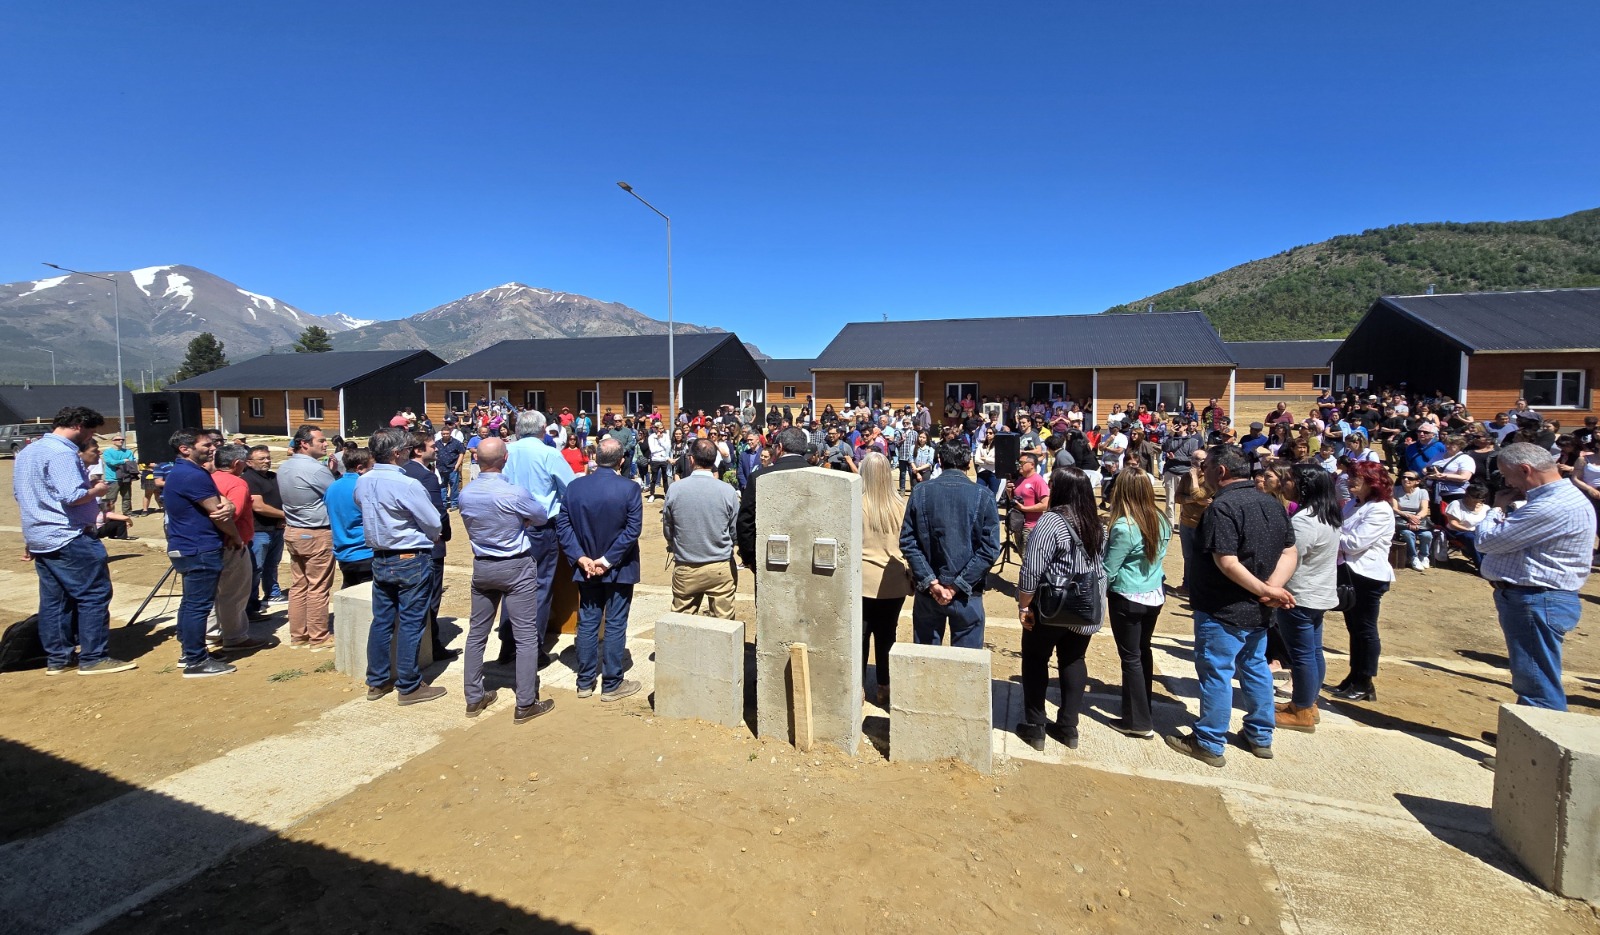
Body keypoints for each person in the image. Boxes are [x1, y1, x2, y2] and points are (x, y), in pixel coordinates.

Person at [1166, 445, 1296, 768]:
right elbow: (1290, 552)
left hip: (1223, 608)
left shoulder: (1221, 508)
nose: (1201, 472)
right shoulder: (1271, 503)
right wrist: (1271, 589)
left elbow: (1226, 561)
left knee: (1217, 672)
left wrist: (1267, 588)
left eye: (1205, 466)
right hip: (1259, 608)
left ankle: (1209, 740)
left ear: (1221, 471)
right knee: (1255, 668)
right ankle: (1260, 734)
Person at [12, 407, 138, 676]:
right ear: (79, 425)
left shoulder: (29, 451)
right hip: (69, 534)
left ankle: (58, 658)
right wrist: (99, 490)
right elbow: (73, 496)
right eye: (91, 431)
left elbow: (19, 493)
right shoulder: (62, 452)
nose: (91, 437)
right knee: (93, 594)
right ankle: (93, 657)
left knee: (55, 600)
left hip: (41, 535)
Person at [1474, 443, 1595, 718]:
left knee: (1536, 679)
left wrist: (1497, 509)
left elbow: (1486, 541)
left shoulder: (1553, 505)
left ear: (1525, 470)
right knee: (1532, 673)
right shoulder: (1556, 499)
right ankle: (1525, 732)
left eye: (1507, 475)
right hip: (1535, 597)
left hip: (1536, 598)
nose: (1506, 482)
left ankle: (1536, 747)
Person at [457, 436, 554, 724]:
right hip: (515, 564)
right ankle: (525, 703)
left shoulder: (466, 493)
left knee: (477, 633)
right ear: (505, 459)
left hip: (483, 565)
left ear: (477, 459)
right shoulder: (514, 492)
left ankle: (474, 697)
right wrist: (519, 522)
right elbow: (540, 515)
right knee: (525, 636)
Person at [355, 427, 446, 706]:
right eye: (406, 449)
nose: (408, 453)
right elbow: (433, 521)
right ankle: (409, 685)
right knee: (411, 622)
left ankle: (378, 680)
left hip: (380, 557)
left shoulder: (364, 480)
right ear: (396, 454)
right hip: (409, 557)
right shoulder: (406, 484)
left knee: (382, 621)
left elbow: (361, 506)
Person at [1015, 467, 1104, 751]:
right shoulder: (1096, 523)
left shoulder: (1050, 522)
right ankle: (1068, 726)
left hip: (1052, 606)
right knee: (1074, 660)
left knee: (1035, 659)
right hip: (1085, 606)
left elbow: (1032, 568)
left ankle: (1036, 725)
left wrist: (1024, 604)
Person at [556, 438, 643, 701]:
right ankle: (612, 683)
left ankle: (584, 682)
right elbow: (632, 530)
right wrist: (606, 560)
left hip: (587, 568)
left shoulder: (575, 487)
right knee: (615, 623)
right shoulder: (629, 488)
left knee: (588, 621)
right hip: (618, 568)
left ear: (594, 457)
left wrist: (582, 558)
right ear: (621, 460)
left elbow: (563, 526)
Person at [899, 440, 1001, 649]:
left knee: (926, 660)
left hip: (931, 591)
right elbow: (989, 549)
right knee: (966, 664)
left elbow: (908, 541)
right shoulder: (984, 495)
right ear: (969, 463)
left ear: (939, 461)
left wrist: (933, 583)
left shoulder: (920, 492)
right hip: (967, 594)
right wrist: (956, 586)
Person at [163, 430, 244, 678]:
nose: (212, 448)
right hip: (199, 547)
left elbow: (221, 503)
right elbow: (217, 512)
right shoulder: (191, 475)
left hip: (188, 546)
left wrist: (227, 505)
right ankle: (196, 661)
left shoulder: (188, 472)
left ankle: (191, 652)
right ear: (185, 449)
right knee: (198, 606)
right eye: (206, 445)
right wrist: (235, 535)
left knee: (190, 604)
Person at [500, 410, 578, 666]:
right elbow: (571, 489)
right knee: (540, 586)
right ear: (544, 428)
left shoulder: (506, 450)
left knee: (511, 585)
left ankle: (507, 645)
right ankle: (532, 649)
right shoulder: (549, 453)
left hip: (510, 525)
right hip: (541, 527)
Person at [1102, 470, 1169, 739]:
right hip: (1153, 593)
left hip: (1127, 596)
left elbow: (1109, 568)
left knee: (1130, 658)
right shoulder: (1161, 519)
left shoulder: (1124, 527)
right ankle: (1142, 708)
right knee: (1143, 652)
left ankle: (1138, 721)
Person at [1274, 465, 1341, 732]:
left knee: (1302, 656)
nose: (1284, 483)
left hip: (1299, 596)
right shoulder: (1327, 516)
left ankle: (1301, 710)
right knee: (1313, 652)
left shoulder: (1304, 521)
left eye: (1289, 480)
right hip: (1318, 594)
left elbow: (1290, 556)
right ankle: (1308, 703)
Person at [1329, 461, 1395, 702]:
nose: (1349, 481)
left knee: (1365, 630)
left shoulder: (1379, 509)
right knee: (1354, 628)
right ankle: (1354, 676)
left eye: (1356, 477)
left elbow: (1354, 543)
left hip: (1368, 575)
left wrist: (1333, 536)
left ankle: (1365, 680)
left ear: (1372, 481)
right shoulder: (1354, 506)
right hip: (1351, 573)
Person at [661, 438, 740, 619]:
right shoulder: (727, 491)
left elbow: (668, 528)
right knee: (724, 624)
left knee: (682, 620)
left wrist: (674, 545)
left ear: (691, 459)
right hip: (720, 565)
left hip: (686, 565)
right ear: (714, 461)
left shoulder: (675, 490)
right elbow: (734, 530)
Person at [402, 431, 461, 661]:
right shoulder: (427, 477)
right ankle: (432, 646)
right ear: (418, 450)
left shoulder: (402, 471)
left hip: (406, 543)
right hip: (430, 544)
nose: (436, 448)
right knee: (430, 599)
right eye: (430, 445)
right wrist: (445, 534)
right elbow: (438, 513)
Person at [858, 451, 910, 706]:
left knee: (861, 635)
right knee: (887, 634)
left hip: (862, 581)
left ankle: (858, 687)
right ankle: (884, 685)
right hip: (894, 579)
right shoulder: (901, 504)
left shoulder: (856, 502)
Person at [277, 426, 336, 650]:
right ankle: (319, 637)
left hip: (293, 529)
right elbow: (334, 493)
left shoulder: (284, 466)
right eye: (320, 440)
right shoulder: (314, 469)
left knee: (299, 585)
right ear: (304, 443)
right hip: (316, 531)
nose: (325, 444)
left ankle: (298, 635)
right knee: (318, 586)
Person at [208, 445, 269, 653]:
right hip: (233, 545)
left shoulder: (208, 479)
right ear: (237, 463)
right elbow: (231, 515)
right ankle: (235, 637)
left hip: (211, 545)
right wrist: (234, 537)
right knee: (234, 593)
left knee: (214, 591)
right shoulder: (237, 483)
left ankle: (211, 632)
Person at [736, 427, 812, 568]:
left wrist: (750, 558)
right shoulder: (820, 476)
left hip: (768, 558)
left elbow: (746, 522)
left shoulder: (757, 477)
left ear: (780, 448)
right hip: (809, 558)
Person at [241, 446, 286, 618]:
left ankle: (272, 593)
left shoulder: (273, 476)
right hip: (258, 530)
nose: (267, 461)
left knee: (272, 564)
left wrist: (281, 518)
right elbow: (258, 506)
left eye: (268, 458)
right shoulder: (248, 479)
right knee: (255, 568)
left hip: (276, 528)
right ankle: (251, 604)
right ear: (249, 462)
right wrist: (285, 515)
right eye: (262, 459)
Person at [325, 447, 376, 588]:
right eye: (372, 467)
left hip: (343, 553)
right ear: (360, 468)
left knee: (349, 592)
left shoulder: (332, 487)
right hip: (364, 552)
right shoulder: (363, 486)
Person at [1174, 448, 1212, 596]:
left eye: (1200, 460)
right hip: (1186, 522)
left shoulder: (1209, 479)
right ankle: (1187, 585)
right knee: (1188, 556)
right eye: (1194, 459)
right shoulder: (1186, 477)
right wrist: (1191, 500)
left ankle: (1200, 587)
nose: (1195, 463)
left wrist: (1195, 495)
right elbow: (1178, 498)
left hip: (1202, 524)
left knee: (1202, 557)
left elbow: (1202, 495)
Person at [1160, 421, 1202, 529]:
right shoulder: (1171, 439)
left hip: (1185, 473)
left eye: (1181, 425)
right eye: (1176, 424)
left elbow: (1192, 458)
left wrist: (1176, 458)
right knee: (1170, 500)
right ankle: (1169, 525)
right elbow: (1164, 448)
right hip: (1171, 472)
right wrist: (1171, 434)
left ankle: (1183, 524)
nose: (1178, 427)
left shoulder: (1193, 441)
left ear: (1185, 426)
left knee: (1185, 500)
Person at [1392, 471, 1434, 572]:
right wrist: (1407, 515)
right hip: (1400, 518)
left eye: (1410, 478)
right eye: (1404, 477)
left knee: (1427, 535)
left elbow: (1424, 509)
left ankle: (1423, 555)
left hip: (1418, 518)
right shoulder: (1395, 490)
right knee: (1408, 534)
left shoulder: (1422, 492)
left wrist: (1416, 519)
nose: (1406, 479)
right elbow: (1394, 508)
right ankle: (1413, 556)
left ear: (1417, 481)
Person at [1442, 481, 1490, 567]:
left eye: (1482, 498)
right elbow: (1453, 523)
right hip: (1458, 531)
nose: (1479, 500)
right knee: (1472, 538)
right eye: (1476, 497)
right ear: (1467, 495)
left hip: (1479, 532)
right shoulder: (1456, 504)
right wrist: (1469, 530)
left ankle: (1490, 565)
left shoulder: (1486, 508)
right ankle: (1480, 565)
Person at [1009, 452, 1050, 550]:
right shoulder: (1019, 480)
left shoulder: (1038, 481)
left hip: (1031, 526)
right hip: (1018, 525)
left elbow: (1045, 505)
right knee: (1022, 555)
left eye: (1022, 463)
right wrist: (1009, 493)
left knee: (1029, 557)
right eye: (1018, 463)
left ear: (1032, 465)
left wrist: (1024, 508)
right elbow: (1016, 502)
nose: (1019, 465)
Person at [100, 434, 138, 515]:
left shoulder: (128, 452)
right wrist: (123, 461)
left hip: (126, 477)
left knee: (127, 497)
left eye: (122, 439)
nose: (120, 441)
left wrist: (122, 462)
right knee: (111, 498)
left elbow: (132, 462)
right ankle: (108, 514)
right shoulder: (108, 452)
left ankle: (127, 512)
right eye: (118, 439)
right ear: (113, 442)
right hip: (113, 478)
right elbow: (111, 462)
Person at [435, 423, 468, 509]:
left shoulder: (456, 443)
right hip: (440, 468)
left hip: (452, 467)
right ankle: (444, 503)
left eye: (447, 433)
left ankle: (454, 503)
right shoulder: (437, 443)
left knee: (454, 487)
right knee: (442, 486)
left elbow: (462, 452)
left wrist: (457, 464)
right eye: (443, 434)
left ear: (450, 433)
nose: (445, 435)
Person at [645, 422, 673, 502]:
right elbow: (652, 450)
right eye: (658, 428)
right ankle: (652, 494)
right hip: (655, 460)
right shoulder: (651, 437)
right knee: (653, 478)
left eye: (662, 428)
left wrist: (660, 440)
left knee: (665, 478)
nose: (660, 430)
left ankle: (666, 494)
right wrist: (662, 448)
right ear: (655, 429)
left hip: (664, 459)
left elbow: (668, 447)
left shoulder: (666, 436)